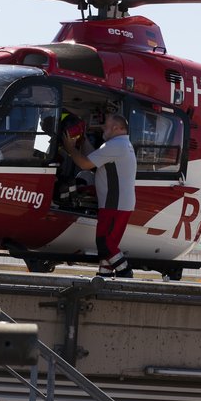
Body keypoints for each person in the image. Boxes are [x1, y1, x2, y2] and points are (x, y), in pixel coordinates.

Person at [64, 113, 136, 278]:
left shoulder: (115, 145)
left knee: (105, 244)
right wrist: (82, 141)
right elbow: (93, 158)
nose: (102, 127)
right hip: (119, 203)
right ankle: (104, 276)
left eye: (106, 124)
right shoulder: (121, 144)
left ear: (117, 128)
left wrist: (70, 148)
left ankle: (125, 271)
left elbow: (84, 163)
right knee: (107, 244)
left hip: (114, 203)